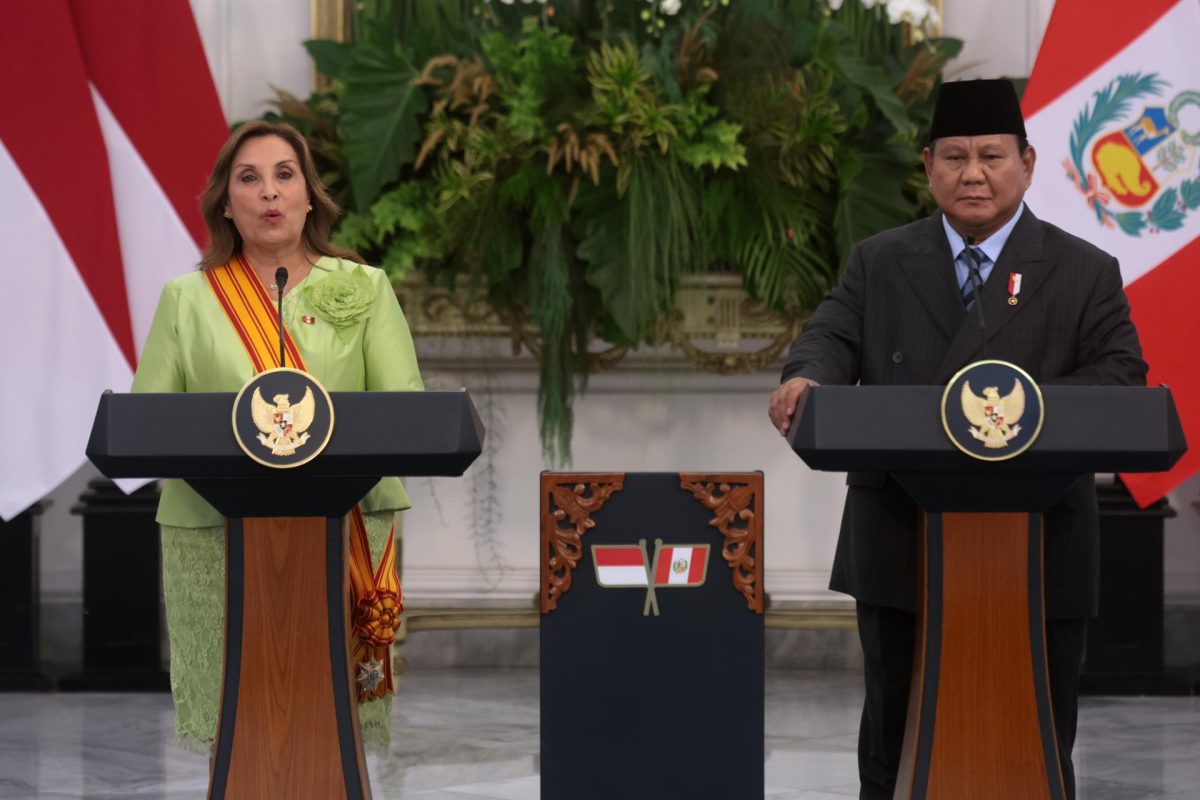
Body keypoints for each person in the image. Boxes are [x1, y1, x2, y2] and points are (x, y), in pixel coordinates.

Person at [767, 79, 1146, 799]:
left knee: (1037, 736)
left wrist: (1015, 410)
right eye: (956, 156)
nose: (974, 173)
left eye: (993, 156)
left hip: (1043, 548)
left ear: (1027, 165)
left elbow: (1121, 376)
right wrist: (806, 379)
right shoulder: (879, 262)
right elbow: (827, 340)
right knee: (893, 736)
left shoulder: (1084, 272)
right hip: (899, 539)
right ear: (928, 165)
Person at [131, 120, 423, 753]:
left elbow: (406, 414)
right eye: (249, 178)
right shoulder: (187, 299)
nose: (269, 193)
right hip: (217, 531)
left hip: (343, 522)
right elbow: (145, 422)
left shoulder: (364, 288)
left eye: (284, 175)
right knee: (241, 733)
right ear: (226, 205)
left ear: (310, 195)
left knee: (331, 731)